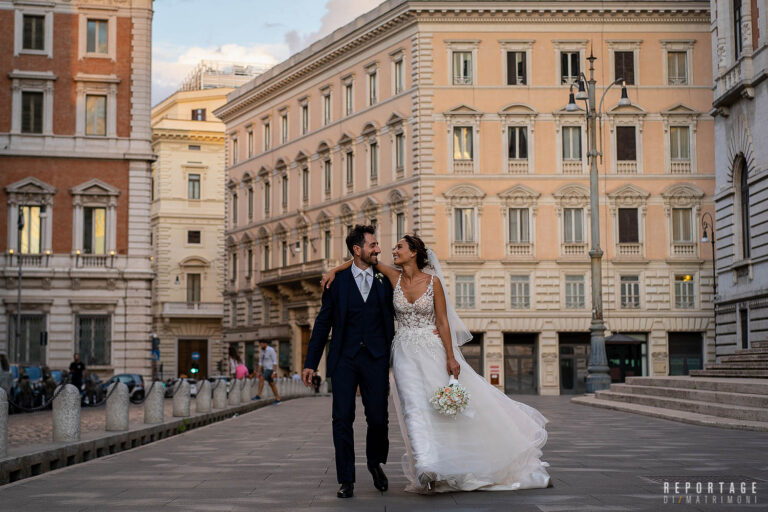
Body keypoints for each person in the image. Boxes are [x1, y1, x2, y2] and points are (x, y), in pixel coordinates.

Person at [321, 234, 551, 494]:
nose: (392, 251)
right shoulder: (392, 277)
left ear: (413, 253)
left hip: (431, 350)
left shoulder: (434, 283)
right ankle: (426, 467)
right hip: (403, 352)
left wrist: (451, 356)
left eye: (399, 247)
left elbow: (442, 322)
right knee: (413, 409)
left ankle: (453, 460)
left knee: (437, 408)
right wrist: (333, 270)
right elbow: (360, 261)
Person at [303, 225, 394, 499]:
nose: (378, 249)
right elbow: (322, 324)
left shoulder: (385, 279)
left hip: (376, 358)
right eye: (373, 245)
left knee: (378, 419)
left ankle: (374, 462)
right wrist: (310, 362)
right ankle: (346, 479)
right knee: (341, 419)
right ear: (358, 250)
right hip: (344, 358)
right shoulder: (336, 283)